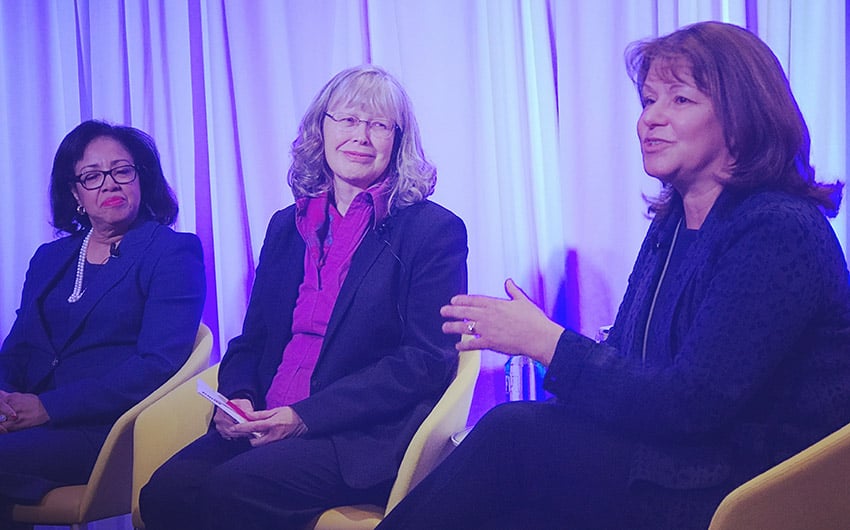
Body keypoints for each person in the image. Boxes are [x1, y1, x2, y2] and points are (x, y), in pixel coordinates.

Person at [377, 21, 850, 530]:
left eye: (681, 100)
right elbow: (628, 357)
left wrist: (549, 343)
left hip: (743, 485)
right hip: (675, 461)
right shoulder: (674, 222)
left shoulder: (776, 228)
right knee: (519, 468)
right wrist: (545, 345)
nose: (651, 120)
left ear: (741, 116)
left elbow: (694, 403)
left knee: (516, 436)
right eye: (648, 101)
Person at [140, 65, 468, 529]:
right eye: (348, 120)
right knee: (166, 492)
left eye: (378, 125)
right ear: (322, 128)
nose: (362, 136)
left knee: (229, 493)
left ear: (399, 141)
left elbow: (424, 360)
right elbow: (252, 340)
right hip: (263, 422)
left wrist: (304, 416)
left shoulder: (433, 231)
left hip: (353, 436)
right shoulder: (286, 226)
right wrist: (237, 399)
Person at [0, 121, 206, 517]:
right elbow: (18, 349)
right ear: (75, 193)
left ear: (141, 178)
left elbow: (156, 366)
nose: (109, 185)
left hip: (108, 430)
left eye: (121, 171)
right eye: (92, 177)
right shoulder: (49, 259)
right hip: (29, 422)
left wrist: (48, 407)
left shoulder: (172, 253)